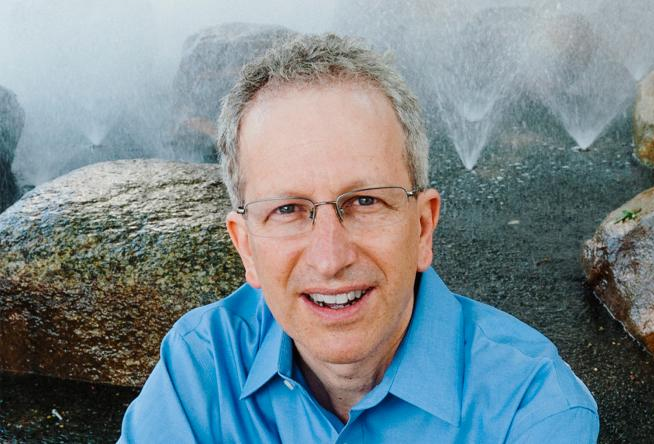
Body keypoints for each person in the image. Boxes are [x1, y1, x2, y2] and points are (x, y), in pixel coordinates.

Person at [119, 33, 598, 443]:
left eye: (365, 202)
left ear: (422, 226)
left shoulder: (532, 409)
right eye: (288, 209)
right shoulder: (202, 363)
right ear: (246, 246)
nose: (330, 258)